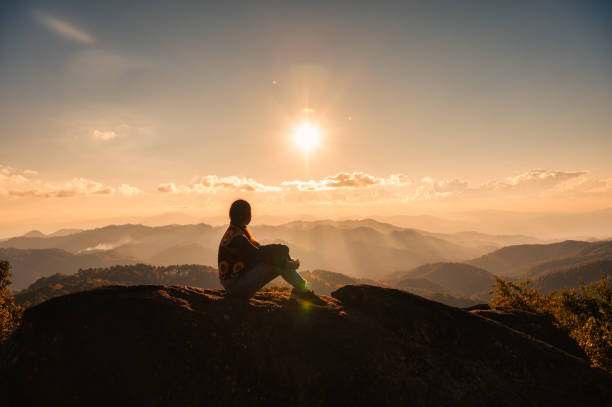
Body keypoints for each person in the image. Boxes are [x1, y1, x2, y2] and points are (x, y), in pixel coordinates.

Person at [218, 199, 324, 304]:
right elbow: (258, 256)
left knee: (280, 257)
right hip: (236, 289)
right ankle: (303, 291)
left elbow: (259, 251)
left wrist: (282, 251)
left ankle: (302, 290)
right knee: (278, 264)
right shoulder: (237, 237)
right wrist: (285, 263)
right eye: (249, 213)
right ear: (246, 215)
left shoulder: (236, 231)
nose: (251, 216)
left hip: (235, 285)